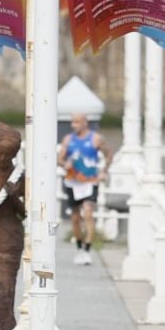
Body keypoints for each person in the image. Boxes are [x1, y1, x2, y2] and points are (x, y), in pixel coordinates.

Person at [58, 113, 107, 266]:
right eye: (72, 122)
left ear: (86, 122)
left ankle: (87, 249)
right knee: (75, 217)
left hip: (90, 181)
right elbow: (59, 158)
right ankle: (79, 247)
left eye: (77, 122)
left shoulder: (95, 138)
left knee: (88, 212)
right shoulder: (68, 139)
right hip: (73, 181)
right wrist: (64, 164)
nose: (74, 125)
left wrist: (104, 171)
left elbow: (109, 154)